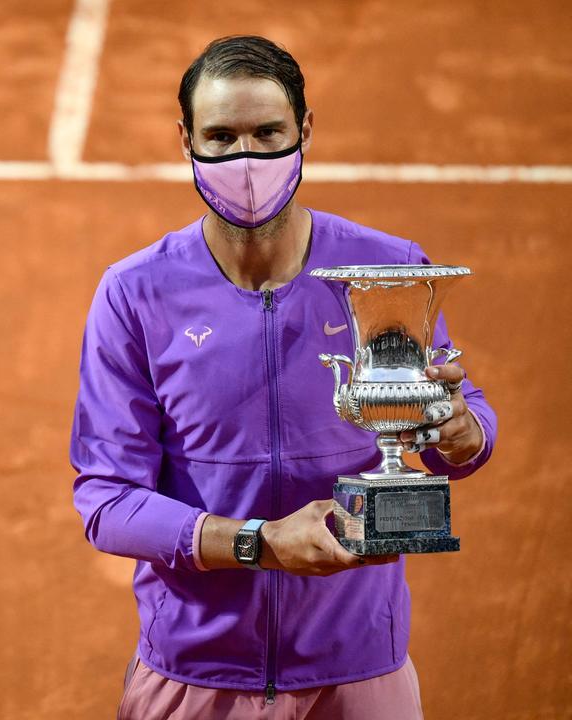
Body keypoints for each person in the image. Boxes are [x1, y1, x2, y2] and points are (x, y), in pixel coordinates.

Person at [70, 35, 497, 720]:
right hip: (195, 676)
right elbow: (107, 499)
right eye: (221, 136)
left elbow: (459, 425)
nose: (247, 160)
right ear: (186, 140)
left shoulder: (384, 268)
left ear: (305, 129)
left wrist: (460, 430)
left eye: (268, 132)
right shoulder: (135, 294)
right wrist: (258, 544)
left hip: (360, 673)